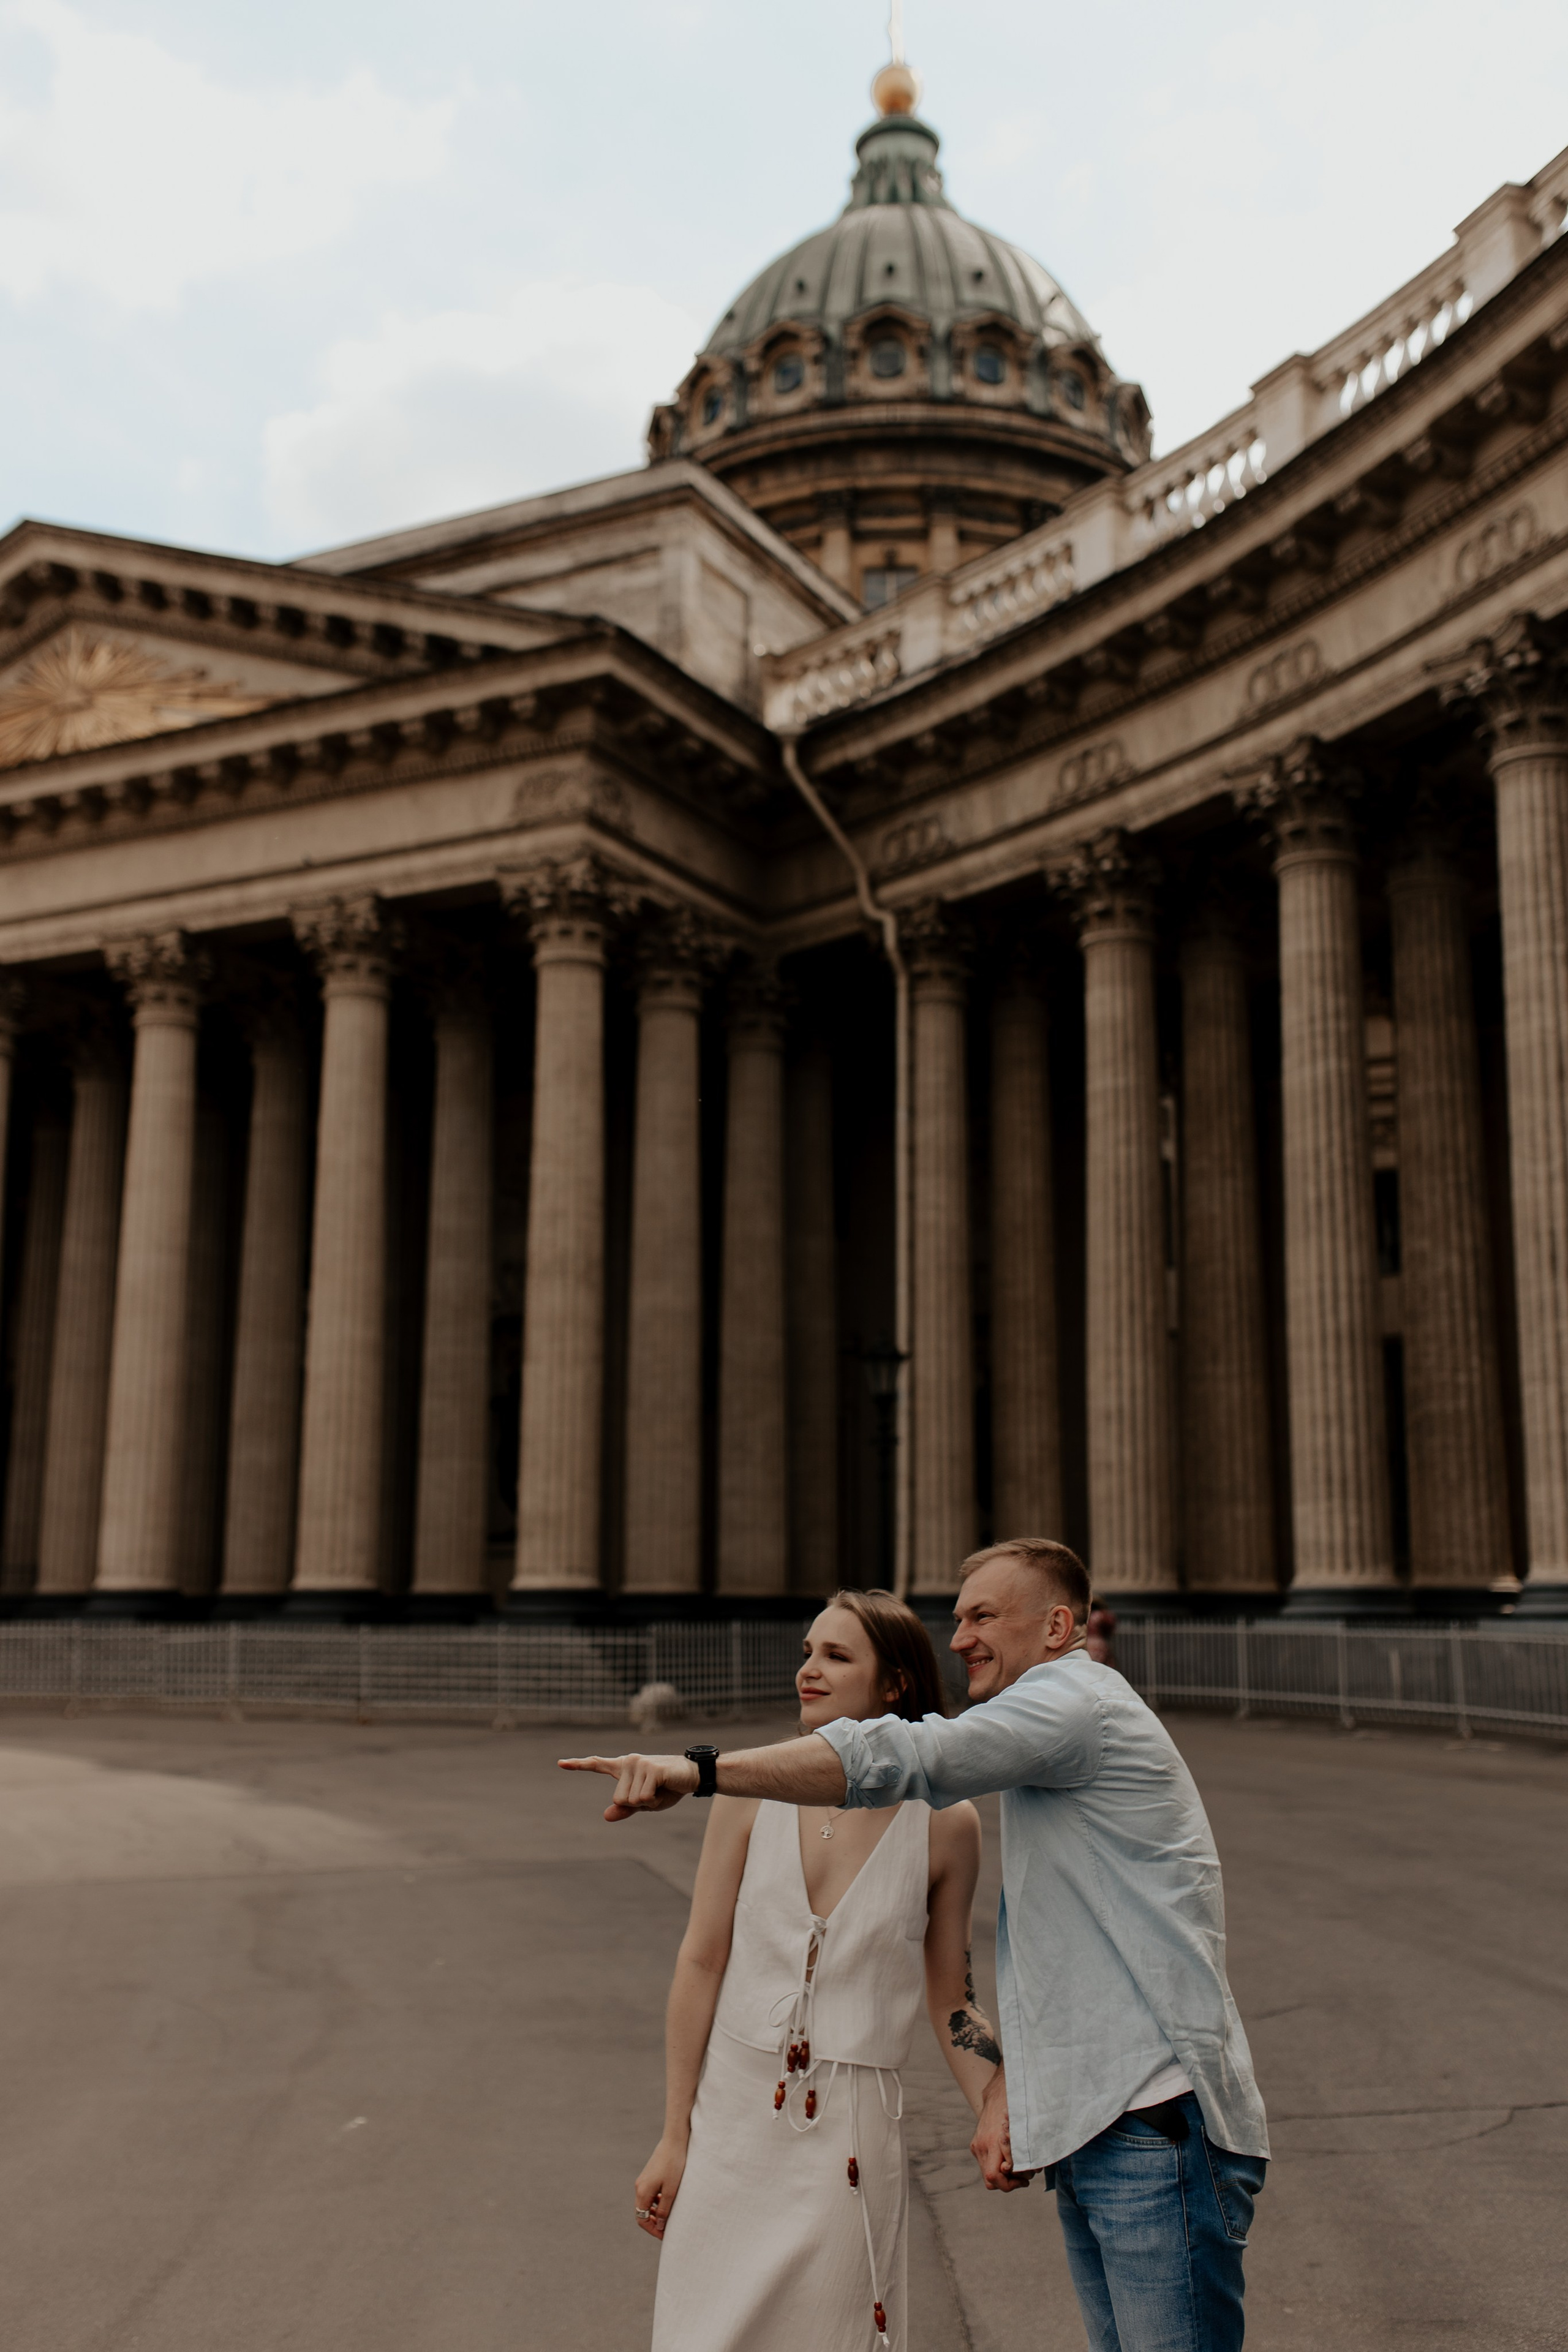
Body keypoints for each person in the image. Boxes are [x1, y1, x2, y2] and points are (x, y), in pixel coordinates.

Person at [562, 1539, 1269, 2352]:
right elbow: (703, 1959)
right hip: (1096, 2120)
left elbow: (919, 1766)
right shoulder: (1047, 1738)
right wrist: (1004, 2102)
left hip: (1145, 2117)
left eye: (982, 1616)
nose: (961, 1635)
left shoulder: (1070, 1708)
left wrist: (700, 1770)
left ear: (1058, 1626)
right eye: (956, 1618)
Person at [622, 1588, 1007, 2352]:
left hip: (850, 2137)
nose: (809, 1670)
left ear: (895, 1683)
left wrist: (998, 2102)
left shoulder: (945, 1824)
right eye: (807, 1652)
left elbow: (950, 1999)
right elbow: (701, 1961)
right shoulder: (742, 1791)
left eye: (836, 1656)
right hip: (731, 2117)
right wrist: (674, 2136)